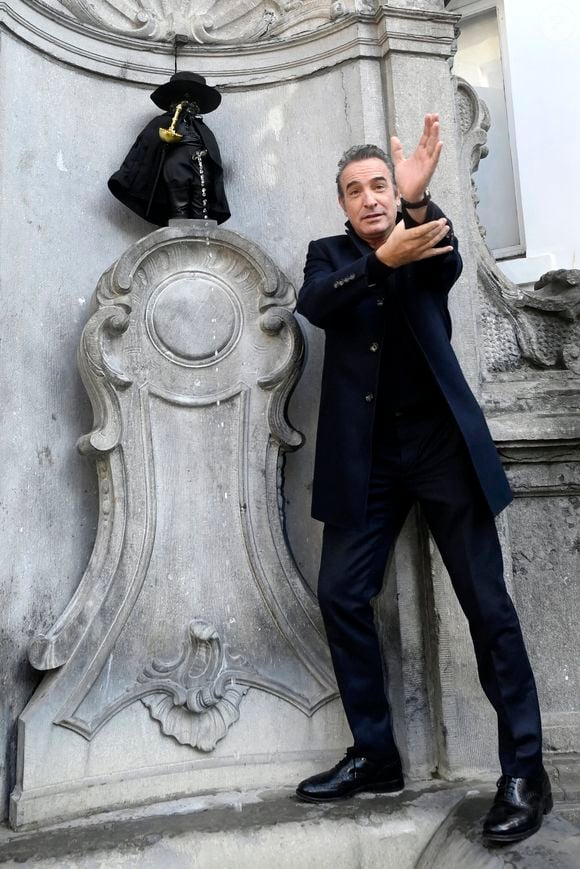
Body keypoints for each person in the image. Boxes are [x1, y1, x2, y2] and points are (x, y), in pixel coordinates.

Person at [294, 115, 552, 845]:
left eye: (379, 184)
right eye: (356, 190)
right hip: (365, 462)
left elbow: (441, 266)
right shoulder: (327, 257)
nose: (370, 198)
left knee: (488, 609)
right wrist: (380, 260)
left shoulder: (427, 231)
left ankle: (525, 772)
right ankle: (376, 754)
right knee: (341, 592)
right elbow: (318, 304)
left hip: (441, 449)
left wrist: (414, 208)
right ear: (342, 205)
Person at [108, 71, 230, 226]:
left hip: (200, 164)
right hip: (176, 166)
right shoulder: (163, 122)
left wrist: (208, 156)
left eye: (192, 99)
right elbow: (146, 147)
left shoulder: (202, 128)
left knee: (201, 203)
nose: (187, 103)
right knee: (179, 204)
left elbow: (212, 151)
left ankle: (201, 230)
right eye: (183, 97)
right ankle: (179, 229)